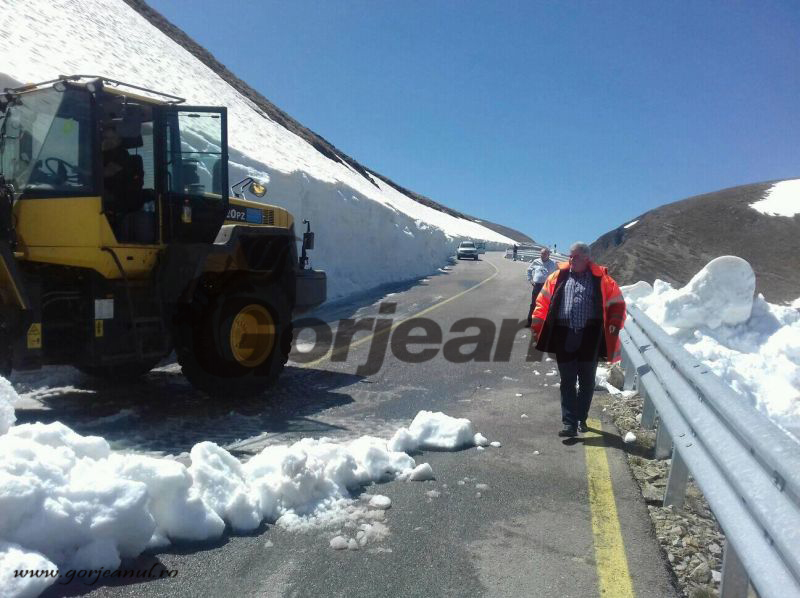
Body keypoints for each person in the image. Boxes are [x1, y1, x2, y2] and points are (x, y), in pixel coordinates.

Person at [530, 242, 626, 437]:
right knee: (567, 380)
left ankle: (581, 416)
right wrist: (537, 325)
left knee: (587, 381)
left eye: (575, 257)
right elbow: (542, 302)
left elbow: (617, 303)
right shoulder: (557, 277)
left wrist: (615, 322)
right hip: (563, 334)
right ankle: (569, 423)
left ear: (586, 259)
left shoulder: (602, 280)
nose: (570, 260)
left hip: (590, 336)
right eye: (570, 256)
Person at [526, 247, 557, 326]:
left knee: (545, 305)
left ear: (548, 254)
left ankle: (542, 324)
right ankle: (529, 321)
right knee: (533, 304)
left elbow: (558, 272)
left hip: (547, 287)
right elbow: (529, 270)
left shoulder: (553, 263)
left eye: (544, 254)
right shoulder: (536, 261)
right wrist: (530, 279)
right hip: (537, 286)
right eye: (541, 253)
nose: (542, 255)